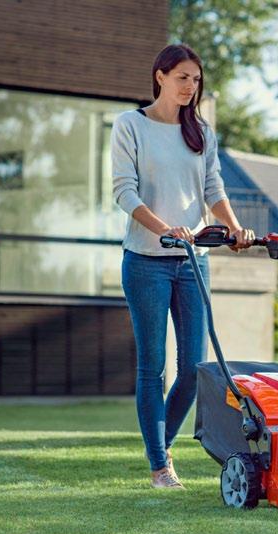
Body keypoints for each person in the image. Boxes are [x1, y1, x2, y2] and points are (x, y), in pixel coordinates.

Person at [111, 44, 255, 489]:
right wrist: (165, 228)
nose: (191, 87)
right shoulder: (130, 125)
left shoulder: (201, 132)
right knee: (153, 366)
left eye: (196, 80)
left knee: (195, 368)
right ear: (160, 77)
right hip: (146, 263)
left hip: (194, 263)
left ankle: (159, 445)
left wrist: (235, 228)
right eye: (182, 78)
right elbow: (125, 192)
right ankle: (160, 466)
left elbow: (213, 187)